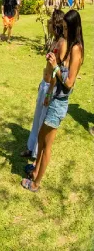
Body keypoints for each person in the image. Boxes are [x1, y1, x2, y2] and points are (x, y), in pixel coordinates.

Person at [23, 10, 84, 192]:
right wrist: (49, 91)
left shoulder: (76, 49)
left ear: (74, 28)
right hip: (54, 98)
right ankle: (35, 171)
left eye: (66, 28)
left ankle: (36, 183)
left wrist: (56, 67)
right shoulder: (69, 45)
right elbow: (58, 76)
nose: (63, 31)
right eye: (62, 27)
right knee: (41, 139)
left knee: (46, 145)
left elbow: (69, 83)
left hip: (59, 103)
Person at [22, 10, 66, 160]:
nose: (48, 23)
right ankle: (30, 148)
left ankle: (36, 154)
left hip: (51, 87)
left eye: (51, 21)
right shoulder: (54, 40)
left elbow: (58, 70)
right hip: (44, 84)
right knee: (36, 118)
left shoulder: (63, 44)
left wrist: (49, 92)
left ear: (56, 24)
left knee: (42, 121)